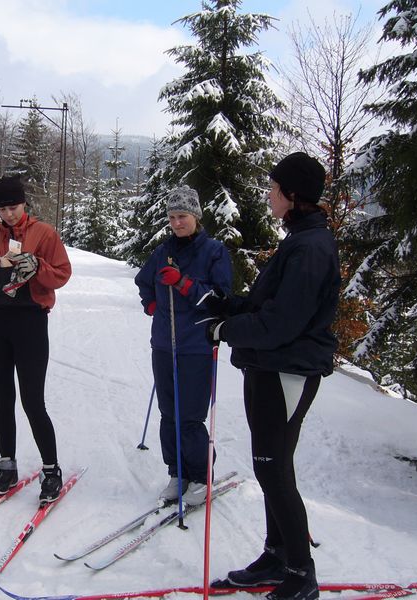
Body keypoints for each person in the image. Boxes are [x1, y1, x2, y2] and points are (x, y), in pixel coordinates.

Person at [207, 153, 339, 600]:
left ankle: (302, 573)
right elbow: (271, 305)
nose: (269, 194)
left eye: (274, 188)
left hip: (287, 371)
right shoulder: (300, 240)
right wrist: (229, 306)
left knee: (274, 470)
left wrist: (228, 330)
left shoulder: (310, 248)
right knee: (270, 468)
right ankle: (278, 555)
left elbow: (283, 323)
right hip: (269, 367)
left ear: (292, 195)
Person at [0, 174, 71, 505]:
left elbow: (62, 274)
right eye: (3, 208)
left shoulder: (43, 233)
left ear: (24, 203)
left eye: (14, 206)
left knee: (33, 401)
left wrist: (37, 266)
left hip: (31, 324)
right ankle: (7, 466)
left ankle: (51, 470)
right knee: (2, 399)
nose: (9, 213)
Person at [134, 185, 232, 506]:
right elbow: (143, 282)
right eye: (172, 216)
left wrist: (183, 282)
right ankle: (178, 474)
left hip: (196, 346)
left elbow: (220, 298)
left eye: (183, 216)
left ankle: (200, 478)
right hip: (164, 342)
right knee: (168, 413)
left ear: (196, 216)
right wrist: (151, 305)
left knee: (189, 416)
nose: (177, 222)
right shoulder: (163, 251)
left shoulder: (214, 251)